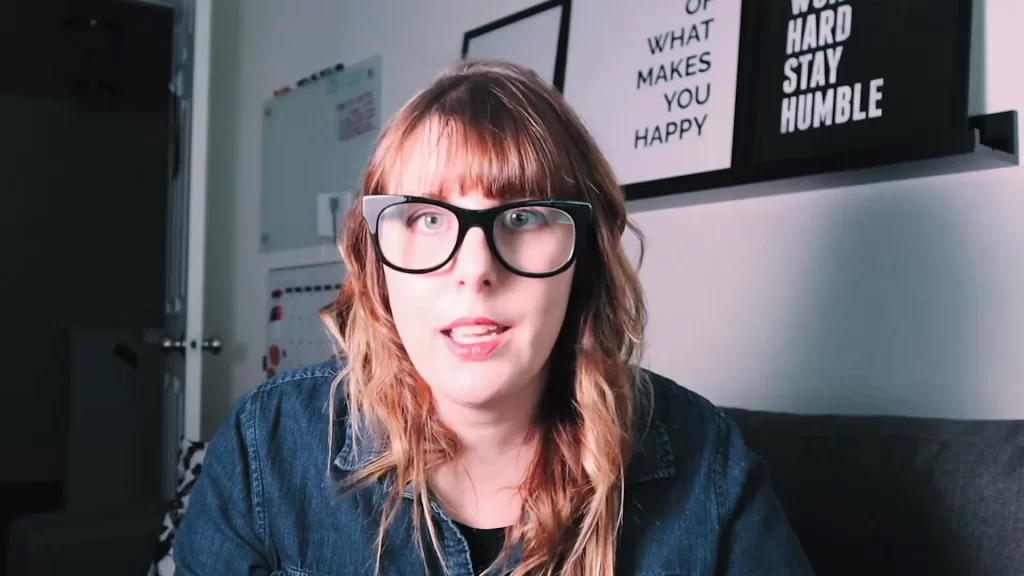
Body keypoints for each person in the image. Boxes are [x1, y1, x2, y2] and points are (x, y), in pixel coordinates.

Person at [174, 59, 815, 576]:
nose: (476, 268)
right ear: (377, 265)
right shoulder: (270, 445)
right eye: (428, 218)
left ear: (582, 255)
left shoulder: (710, 465)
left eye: (525, 216)